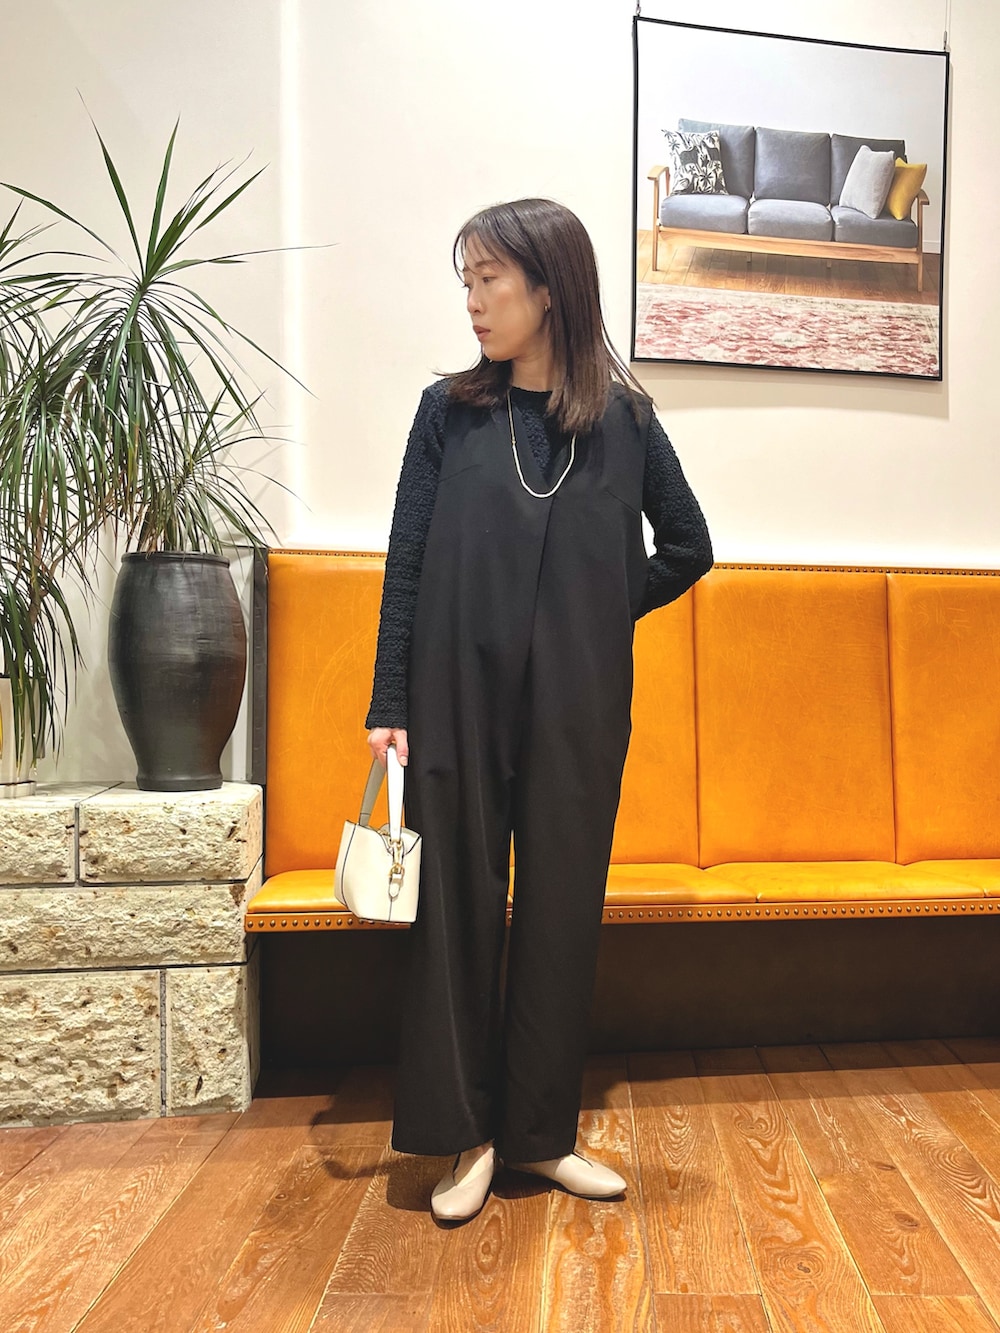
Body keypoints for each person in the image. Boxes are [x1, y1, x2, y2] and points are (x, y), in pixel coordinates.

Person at [365, 198, 712, 1224]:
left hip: (578, 701)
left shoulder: (625, 423)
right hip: (453, 692)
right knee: (457, 909)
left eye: (490, 280)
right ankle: (466, 1136)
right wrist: (389, 698)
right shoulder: (448, 412)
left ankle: (541, 1136)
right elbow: (407, 560)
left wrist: (598, 610)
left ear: (549, 288)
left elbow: (689, 546)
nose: (472, 301)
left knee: (561, 908)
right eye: (466, 282)